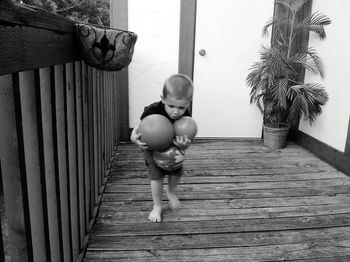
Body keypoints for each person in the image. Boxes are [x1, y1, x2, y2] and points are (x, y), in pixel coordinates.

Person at [130, 74, 194, 222]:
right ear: (163, 98)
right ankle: (157, 206)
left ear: (188, 103)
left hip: (173, 148)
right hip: (152, 149)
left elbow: (186, 135)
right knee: (156, 177)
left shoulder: (186, 116)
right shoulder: (152, 110)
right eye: (171, 106)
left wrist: (184, 144)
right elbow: (139, 129)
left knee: (177, 172)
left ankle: (171, 191)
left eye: (181, 107)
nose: (176, 111)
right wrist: (133, 137)